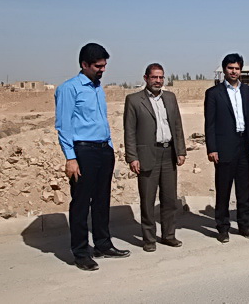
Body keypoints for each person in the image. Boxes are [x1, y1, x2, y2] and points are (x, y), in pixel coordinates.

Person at [54, 43, 130, 271]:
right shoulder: (69, 89)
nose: (102, 70)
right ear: (84, 64)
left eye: (104, 66)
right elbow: (64, 126)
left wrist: (109, 147)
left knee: (101, 200)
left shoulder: (97, 88)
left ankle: (103, 244)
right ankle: (80, 253)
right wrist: (71, 158)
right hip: (83, 151)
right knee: (80, 203)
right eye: (98, 66)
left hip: (103, 150)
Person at [124, 63, 186, 252]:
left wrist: (181, 151)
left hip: (168, 154)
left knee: (169, 199)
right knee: (148, 200)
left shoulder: (170, 98)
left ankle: (169, 235)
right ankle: (149, 239)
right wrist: (132, 157)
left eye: (161, 77)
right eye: (154, 77)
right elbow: (129, 131)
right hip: (146, 155)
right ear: (146, 78)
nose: (158, 81)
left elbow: (177, 125)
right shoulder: (134, 100)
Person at [205, 54, 249, 243]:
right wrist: (212, 148)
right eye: (230, 68)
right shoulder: (214, 93)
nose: (234, 71)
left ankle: (244, 225)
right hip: (224, 147)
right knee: (223, 190)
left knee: (244, 189)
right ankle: (222, 228)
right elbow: (210, 123)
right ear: (224, 70)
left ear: (241, 70)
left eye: (237, 68)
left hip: (244, 146)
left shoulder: (246, 91)